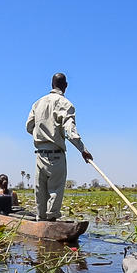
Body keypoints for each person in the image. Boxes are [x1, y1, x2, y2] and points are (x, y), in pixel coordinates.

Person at [26, 73, 93, 221]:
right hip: (56, 155)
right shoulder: (66, 104)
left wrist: (42, 134)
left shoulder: (38, 103)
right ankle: (50, 222)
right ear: (66, 86)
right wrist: (83, 149)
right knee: (55, 190)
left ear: (51, 85)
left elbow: (29, 126)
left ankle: (40, 221)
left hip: (40, 154)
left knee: (40, 192)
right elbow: (70, 131)